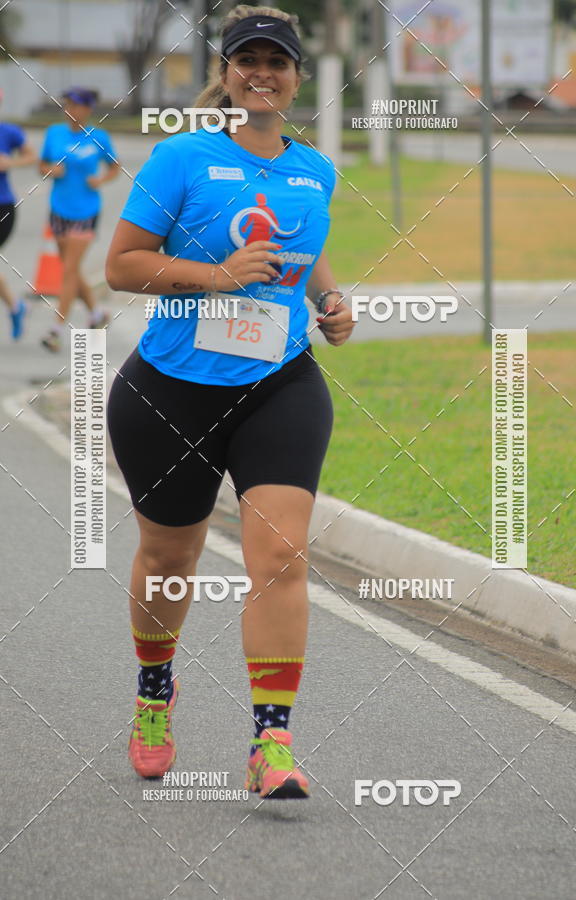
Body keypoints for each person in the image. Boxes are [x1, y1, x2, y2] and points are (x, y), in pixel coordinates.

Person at [106, 4, 354, 799]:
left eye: (276, 62)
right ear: (225, 75)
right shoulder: (180, 158)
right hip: (170, 390)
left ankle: (271, 740)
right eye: (246, 60)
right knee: (169, 559)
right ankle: (155, 691)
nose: (262, 72)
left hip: (279, 384)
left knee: (279, 557)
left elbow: (303, 252)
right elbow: (122, 266)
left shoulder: (315, 169)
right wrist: (215, 276)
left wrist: (329, 297)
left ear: (296, 77)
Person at [39, 88, 120, 352]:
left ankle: (55, 330)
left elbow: (114, 167)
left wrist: (101, 180)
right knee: (70, 269)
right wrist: (51, 170)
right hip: (59, 209)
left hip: (87, 211)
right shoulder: (54, 133)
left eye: (75, 106)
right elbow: (42, 164)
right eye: (67, 105)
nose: (70, 111)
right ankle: (97, 313)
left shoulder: (99, 138)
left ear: (88, 109)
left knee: (70, 270)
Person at [0, 88, 36, 339]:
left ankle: (15, 307)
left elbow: (32, 156)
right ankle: (15, 307)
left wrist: (9, 163)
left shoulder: (8, 132)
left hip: (3, 206)